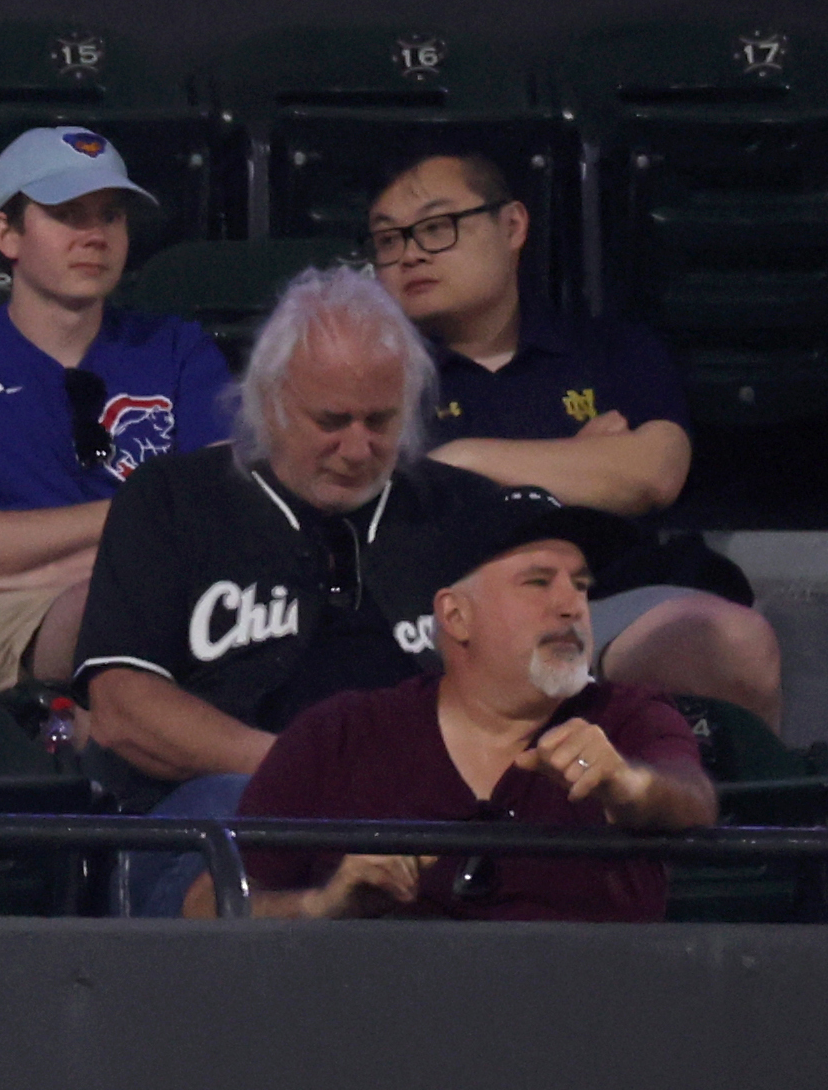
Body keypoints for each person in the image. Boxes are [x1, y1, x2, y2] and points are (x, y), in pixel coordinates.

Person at [64, 262, 503, 904]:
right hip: (229, 802)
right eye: (332, 420)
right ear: (268, 403)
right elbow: (123, 708)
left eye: (380, 421)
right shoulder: (173, 500)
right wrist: (311, 772)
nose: (358, 449)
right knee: (237, 819)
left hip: (433, 811)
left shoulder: (464, 513)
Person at [366, 150, 788, 719]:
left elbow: (652, 474)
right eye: (389, 240)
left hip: (603, 600)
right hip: (436, 620)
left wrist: (456, 461)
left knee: (734, 642)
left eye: (438, 228)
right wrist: (579, 463)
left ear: (512, 225)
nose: (410, 253)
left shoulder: (614, 352)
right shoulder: (372, 374)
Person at [237, 483, 714, 922]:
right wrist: (323, 905)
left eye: (581, 585)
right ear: (456, 615)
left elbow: (692, 798)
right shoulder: (341, 734)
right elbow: (209, 907)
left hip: (587, 1007)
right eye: (538, 582)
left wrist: (628, 786)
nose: (572, 606)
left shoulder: (626, 716)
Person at [0, 125, 238, 698]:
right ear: (7, 233)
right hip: (19, 618)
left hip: (177, 591)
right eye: (68, 215)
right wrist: (140, 518)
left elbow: (224, 513)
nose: (95, 236)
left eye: (111, 215)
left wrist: (43, 560)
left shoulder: (178, 348)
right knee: (118, 608)